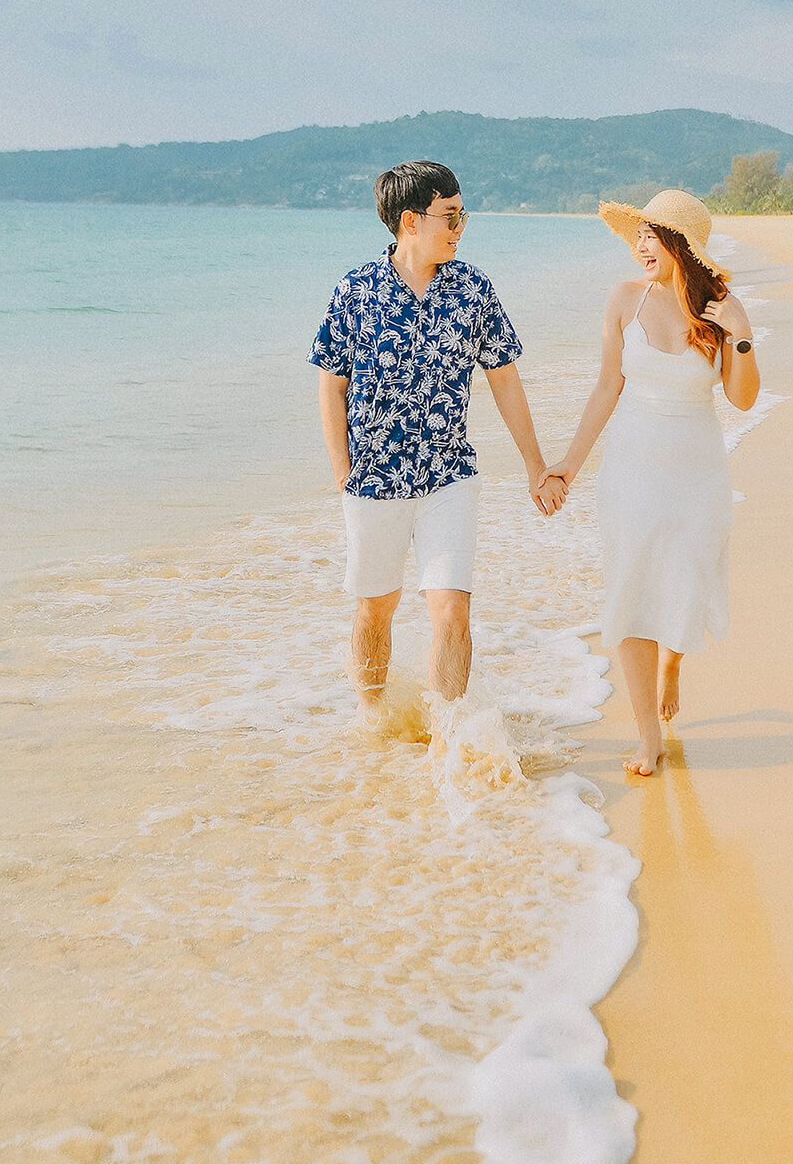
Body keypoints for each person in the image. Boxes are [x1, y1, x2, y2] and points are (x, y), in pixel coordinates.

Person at [311, 160, 564, 712]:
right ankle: (372, 723)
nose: (459, 228)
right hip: (373, 479)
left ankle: (446, 737)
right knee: (374, 608)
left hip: (450, 474)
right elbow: (330, 385)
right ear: (409, 221)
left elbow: (503, 377)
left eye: (462, 216)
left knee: (452, 610)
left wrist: (534, 465)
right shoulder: (354, 290)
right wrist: (341, 469)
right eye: (450, 216)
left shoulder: (473, 288)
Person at [539, 188, 758, 776]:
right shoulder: (622, 300)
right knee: (632, 594)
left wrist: (739, 333)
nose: (640, 247)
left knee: (686, 582)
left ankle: (673, 663)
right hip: (632, 468)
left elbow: (741, 398)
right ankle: (646, 736)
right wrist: (568, 464)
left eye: (651, 236)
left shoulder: (720, 309)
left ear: (681, 246)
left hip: (698, 469)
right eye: (637, 235)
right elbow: (607, 387)